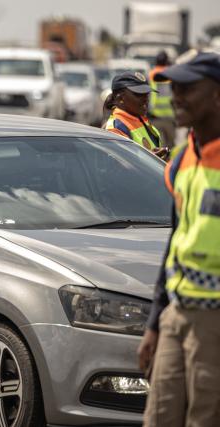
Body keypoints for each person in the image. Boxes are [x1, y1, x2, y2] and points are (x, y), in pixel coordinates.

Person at [137, 51, 220, 427]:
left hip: (214, 320)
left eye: (188, 88)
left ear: (216, 96)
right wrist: (155, 322)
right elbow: (176, 241)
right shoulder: (182, 161)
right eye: (175, 88)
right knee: (158, 417)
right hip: (177, 313)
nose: (175, 97)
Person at [104, 71, 169, 159]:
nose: (146, 99)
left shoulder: (139, 118)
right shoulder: (116, 128)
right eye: (139, 94)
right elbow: (122, 166)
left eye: (147, 94)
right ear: (120, 98)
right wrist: (151, 160)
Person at [149, 51, 176, 148]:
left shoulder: (151, 74)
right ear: (166, 61)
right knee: (171, 146)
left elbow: (150, 96)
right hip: (170, 117)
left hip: (155, 117)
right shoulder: (172, 73)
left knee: (159, 146)